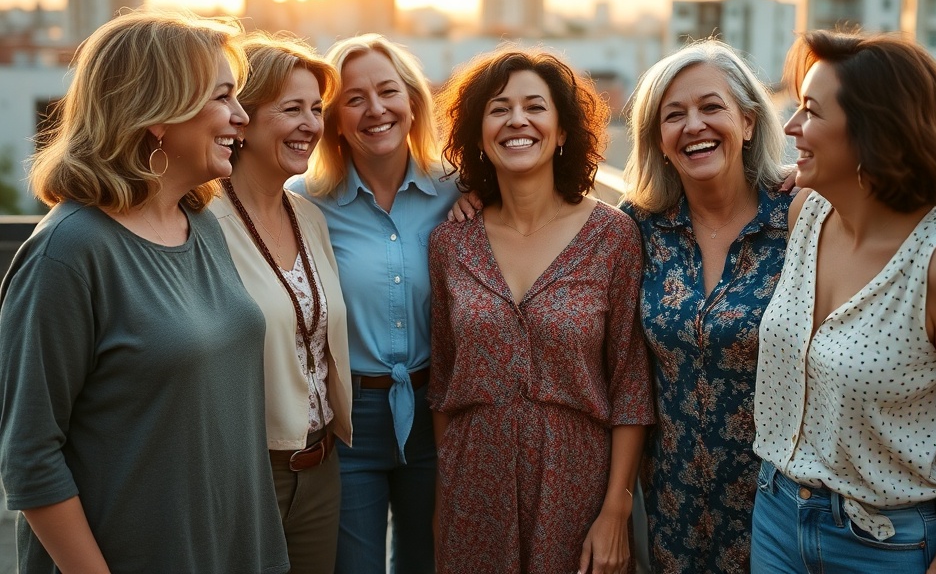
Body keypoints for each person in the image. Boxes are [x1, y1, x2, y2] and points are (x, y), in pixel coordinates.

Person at [0, 9, 289, 573]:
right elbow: (30, 456)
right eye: (223, 97)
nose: (240, 117)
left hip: (235, 553)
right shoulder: (68, 253)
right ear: (160, 115)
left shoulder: (201, 224)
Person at [751, 30, 936, 574]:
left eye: (810, 111)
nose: (790, 127)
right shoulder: (806, 212)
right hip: (777, 519)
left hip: (886, 546)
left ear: (875, 130)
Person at [429, 47, 655, 574]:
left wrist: (616, 510)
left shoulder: (613, 236)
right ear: (478, 133)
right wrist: (447, 498)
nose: (517, 120)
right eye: (499, 108)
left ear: (563, 130)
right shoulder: (450, 243)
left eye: (535, 106)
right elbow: (442, 385)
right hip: (473, 483)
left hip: (577, 480)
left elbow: (630, 386)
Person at [287, 33, 462, 574]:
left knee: (428, 562)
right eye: (354, 99)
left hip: (440, 411)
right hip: (350, 419)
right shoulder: (301, 200)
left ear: (413, 102)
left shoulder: (461, 190)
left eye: (388, 91)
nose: (376, 109)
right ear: (334, 119)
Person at [620, 39, 791, 574]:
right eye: (674, 116)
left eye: (710, 107)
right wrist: (472, 195)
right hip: (673, 504)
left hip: (779, 507)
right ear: (660, 142)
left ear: (747, 122)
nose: (693, 125)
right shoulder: (641, 226)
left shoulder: (801, 218)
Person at [209, 32, 353, 573]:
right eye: (291, 108)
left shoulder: (310, 217)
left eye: (316, 110)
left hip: (321, 465)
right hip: (245, 470)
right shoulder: (201, 224)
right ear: (242, 120)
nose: (311, 125)